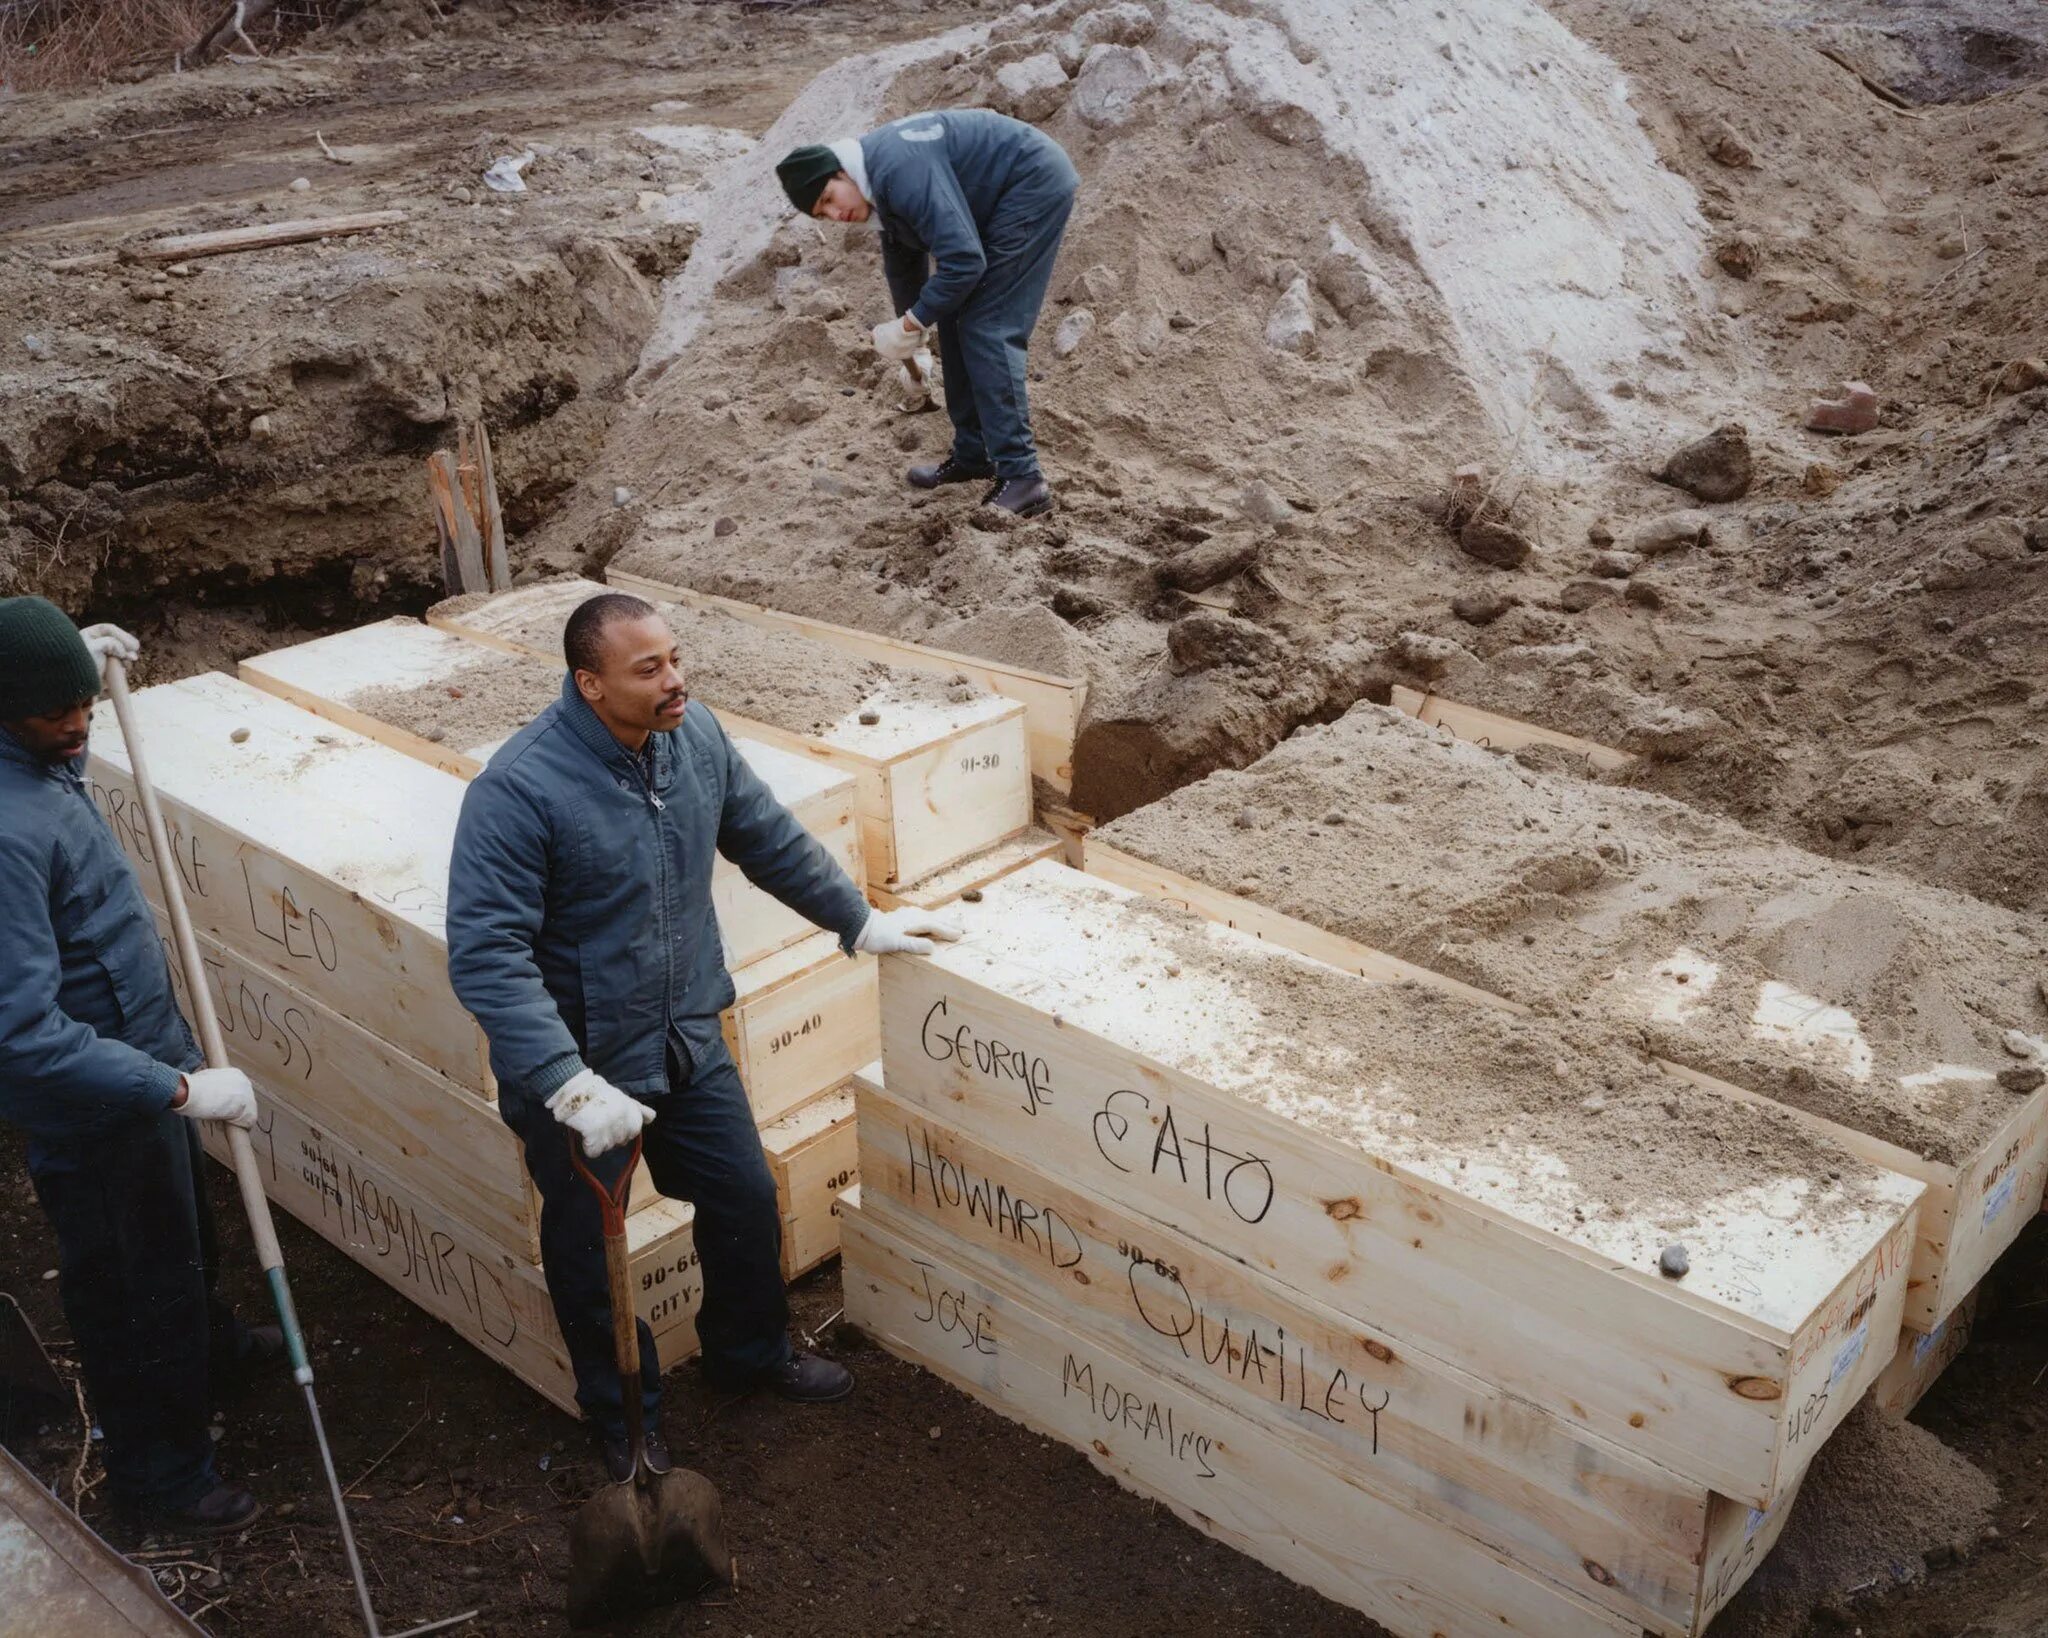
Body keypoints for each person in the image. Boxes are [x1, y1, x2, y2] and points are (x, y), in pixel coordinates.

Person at [446, 592, 959, 1480]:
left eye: (676, 659)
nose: (675, 680)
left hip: (684, 1035)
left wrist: (857, 919)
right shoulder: (520, 790)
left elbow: (764, 835)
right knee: (587, 1253)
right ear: (590, 683)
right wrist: (566, 1082)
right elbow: (486, 954)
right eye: (649, 670)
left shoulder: (692, 740)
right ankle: (624, 1416)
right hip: (583, 1074)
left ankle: (748, 1354)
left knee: (744, 1197)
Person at [0, 596, 277, 1538]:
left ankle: (212, 1348)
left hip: (137, 1056)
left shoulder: (37, 749)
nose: (79, 723)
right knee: (131, 1281)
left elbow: (48, 703)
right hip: (94, 1101)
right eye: (55, 713)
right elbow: (24, 1033)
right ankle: (162, 1475)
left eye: (83, 703)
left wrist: (63, 667)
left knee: (182, 1229)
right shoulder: (4, 834)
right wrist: (180, 1087)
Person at [777, 109, 1080, 520]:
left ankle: (1023, 477)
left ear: (842, 172)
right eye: (821, 214)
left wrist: (910, 322)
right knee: (956, 318)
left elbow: (964, 262)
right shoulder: (877, 184)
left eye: (829, 199)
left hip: (1031, 181)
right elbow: (904, 265)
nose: (835, 215)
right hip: (996, 196)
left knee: (988, 326)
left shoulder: (897, 171)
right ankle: (975, 455)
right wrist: (913, 336)